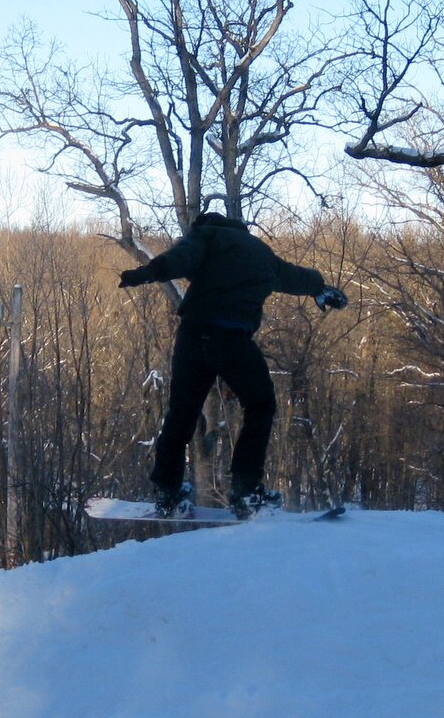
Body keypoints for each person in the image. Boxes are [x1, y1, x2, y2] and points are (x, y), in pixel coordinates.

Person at [119, 212, 347, 518]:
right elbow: (291, 275)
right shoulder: (258, 250)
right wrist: (320, 287)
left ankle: (167, 493)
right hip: (232, 339)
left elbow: (182, 258)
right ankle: (246, 492)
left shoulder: (205, 236)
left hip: (194, 336)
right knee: (260, 404)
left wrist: (148, 272)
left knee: (181, 414)